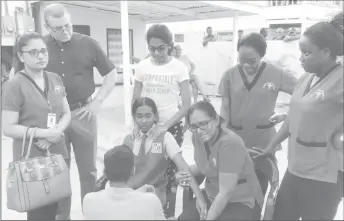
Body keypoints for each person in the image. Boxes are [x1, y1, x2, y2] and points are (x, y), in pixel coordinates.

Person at [256, 12, 344, 220]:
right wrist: (271, 146)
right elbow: (293, 117)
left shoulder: (341, 79)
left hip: (324, 175)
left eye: (307, 53)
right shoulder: (306, 78)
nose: (301, 58)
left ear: (326, 52)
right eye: (300, 52)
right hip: (296, 167)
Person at [42, 4, 118, 220]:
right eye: (58, 28)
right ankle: (62, 215)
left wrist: (98, 101)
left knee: (89, 171)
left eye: (68, 25)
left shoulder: (89, 44)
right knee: (58, 170)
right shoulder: (40, 46)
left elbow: (111, 74)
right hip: (53, 117)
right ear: (47, 27)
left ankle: (90, 213)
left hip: (83, 113)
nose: (65, 31)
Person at [2, 32, 71, 220]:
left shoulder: (55, 78)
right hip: (32, 161)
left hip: (58, 153)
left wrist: (55, 133)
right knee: (41, 212)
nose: (41, 56)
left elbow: (66, 113)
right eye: (33, 52)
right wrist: (46, 133)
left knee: (62, 207)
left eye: (43, 51)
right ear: (21, 56)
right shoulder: (13, 85)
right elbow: (8, 127)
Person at [218, 33, 298, 195]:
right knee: (234, 185)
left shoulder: (276, 73)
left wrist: (285, 115)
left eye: (252, 61)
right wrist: (222, 135)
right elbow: (225, 108)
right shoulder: (229, 75)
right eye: (242, 60)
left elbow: (303, 95)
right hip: (236, 138)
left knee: (259, 184)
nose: (246, 65)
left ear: (262, 55)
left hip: (263, 141)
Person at [132, 24, 192, 217]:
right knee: (145, 168)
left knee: (170, 172)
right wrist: (136, 123)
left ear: (170, 45)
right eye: (152, 48)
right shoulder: (142, 67)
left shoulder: (179, 68)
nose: (156, 53)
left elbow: (186, 105)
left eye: (161, 48)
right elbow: (135, 99)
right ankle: (146, 209)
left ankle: (168, 212)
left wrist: (166, 125)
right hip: (145, 126)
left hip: (171, 127)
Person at [177, 101, 264, 220]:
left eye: (203, 123)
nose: (199, 130)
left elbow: (225, 193)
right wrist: (198, 195)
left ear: (216, 120)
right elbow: (206, 165)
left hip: (241, 201)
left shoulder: (229, 143)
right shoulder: (197, 137)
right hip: (211, 195)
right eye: (194, 126)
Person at [83, 144, 179, 220]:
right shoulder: (151, 201)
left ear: (105, 172)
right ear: (133, 171)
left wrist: (138, 193)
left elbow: (118, 209)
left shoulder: (89, 200)